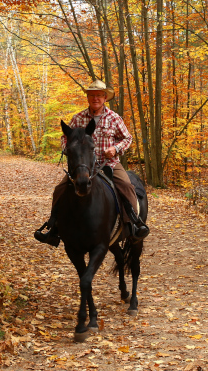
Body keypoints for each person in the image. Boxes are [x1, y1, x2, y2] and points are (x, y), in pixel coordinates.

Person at [34, 80, 150, 247]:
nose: (95, 98)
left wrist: (115, 148)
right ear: (87, 97)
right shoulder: (78, 118)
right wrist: (69, 149)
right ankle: (53, 228)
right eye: (91, 95)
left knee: (126, 186)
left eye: (98, 95)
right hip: (83, 167)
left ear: (104, 98)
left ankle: (133, 224)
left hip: (109, 164)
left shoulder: (114, 118)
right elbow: (65, 137)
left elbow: (127, 138)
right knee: (60, 189)